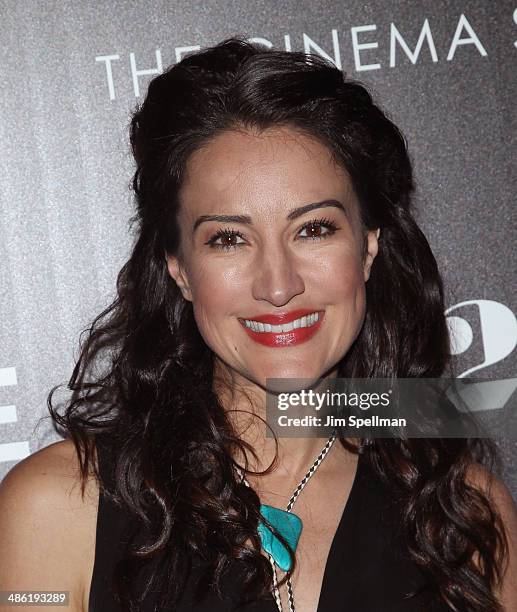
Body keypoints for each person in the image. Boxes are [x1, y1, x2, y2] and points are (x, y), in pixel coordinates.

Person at [0, 37, 516, 612]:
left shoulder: (462, 511)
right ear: (179, 269)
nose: (278, 285)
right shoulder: (57, 506)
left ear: (368, 246)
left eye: (314, 229)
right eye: (228, 239)